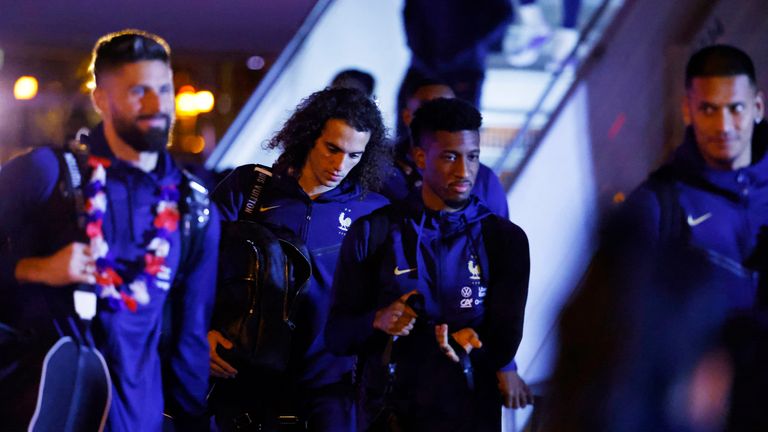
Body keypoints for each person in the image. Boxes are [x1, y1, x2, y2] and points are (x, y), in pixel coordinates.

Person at [0, 30, 220, 431]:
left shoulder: (194, 208)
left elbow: (191, 338)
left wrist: (194, 421)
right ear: (101, 98)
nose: (156, 105)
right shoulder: (48, 174)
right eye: (139, 91)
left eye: (164, 89)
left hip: (139, 418)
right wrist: (33, 269)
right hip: (44, 412)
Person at [326, 97, 530, 431]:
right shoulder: (374, 232)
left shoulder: (505, 239)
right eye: (450, 157)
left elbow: (505, 341)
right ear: (421, 157)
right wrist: (377, 321)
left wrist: (471, 349)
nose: (464, 171)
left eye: (473, 156)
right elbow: (337, 336)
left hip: (470, 414)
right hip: (389, 415)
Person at [209, 87, 391, 431]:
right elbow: (196, 268)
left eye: (354, 155)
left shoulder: (375, 213)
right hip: (242, 374)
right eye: (332, 149)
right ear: (310, 136)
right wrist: (202, 332)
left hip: (330, 389)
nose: (340, 165)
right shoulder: (250, 188)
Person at [622, 44, 766, 312]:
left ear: (757, 107)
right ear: (688, 111)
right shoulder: (657, 205)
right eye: (708, 110)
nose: (723, 126)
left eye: (735, 108)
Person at [381, 80, 511, 220]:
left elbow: (500, 232)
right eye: (428, 109)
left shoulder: (484, 179)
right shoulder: (379, 170)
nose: (440, 115)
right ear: (407, 116)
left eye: (448, 108)